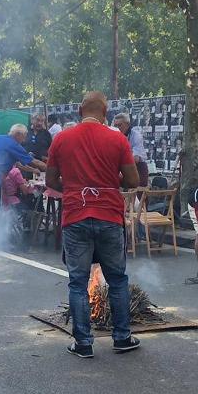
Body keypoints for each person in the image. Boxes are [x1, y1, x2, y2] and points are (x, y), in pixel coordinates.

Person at [46, 92, 141, 358]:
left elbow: (51, 181)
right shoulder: (117, 138)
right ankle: (122, 338)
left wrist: (76, 188)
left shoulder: (62, 139)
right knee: (117, 280)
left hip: (75, 215)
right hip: (109, 215)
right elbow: (132, 181)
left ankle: (83, 343)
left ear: (79, 111)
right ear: (105, 111)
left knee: (78, 282)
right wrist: (109, 182)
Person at [112, 112, 148, 187]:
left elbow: (135, 159)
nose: (117, 128)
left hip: (138, 168)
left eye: (120, 125)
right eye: (115, 125)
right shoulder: (114, 136)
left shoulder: (136, 136)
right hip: (123, 168)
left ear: (127, 125)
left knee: (137, 196)